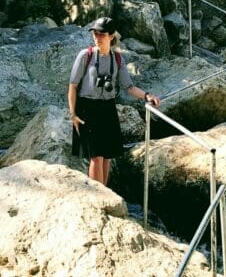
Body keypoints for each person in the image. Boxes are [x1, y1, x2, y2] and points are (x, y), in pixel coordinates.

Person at [68, 16, 160, 186]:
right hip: (87, 109)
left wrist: (147, 95)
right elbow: (73, 86)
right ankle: (97, 197)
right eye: (95, 34)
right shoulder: (85, 56)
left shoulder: (117, 59)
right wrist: (73, 114)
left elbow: (129, 87)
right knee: (96, 157)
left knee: (107, 156)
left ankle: (105, 194)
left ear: (111, 36)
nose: (97, 38)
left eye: (101, 34)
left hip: (107, 108)